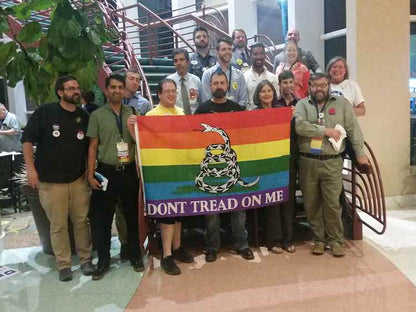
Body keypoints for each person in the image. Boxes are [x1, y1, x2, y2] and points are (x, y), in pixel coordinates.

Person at [21, 76, 94, 282]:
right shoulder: (45, 112)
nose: (76, 91)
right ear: (60, 93)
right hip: (51, 183)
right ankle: (64, 265)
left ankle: (86, 260)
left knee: (81, 221)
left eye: (77, 88)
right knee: (58, 224)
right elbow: (27, 140)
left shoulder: (83, 115)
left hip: (78, 180)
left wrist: (89, 172)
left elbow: (90, 146)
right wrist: (31, 169)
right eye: (71, 89)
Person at [295, 73, 370, 257]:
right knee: (312, 205)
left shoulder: (342, 104)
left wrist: (360, 155)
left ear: (329, 86)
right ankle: (319, 240)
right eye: (315, 85)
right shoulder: (302, 105)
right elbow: (300, 127)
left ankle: (336, 241)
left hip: (332, 162)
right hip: (308, 162)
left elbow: (353, 130)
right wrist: (325, 131)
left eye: (323, 85)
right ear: (309, 86)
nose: (319, 88)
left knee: (332, 204)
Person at [87, 74, 144, 280]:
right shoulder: (97, 115)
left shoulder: (133, 113)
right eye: (113, 87)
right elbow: (92, 146)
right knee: (102, 220)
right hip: (105, 173)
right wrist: (90, 173)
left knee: (132, 217)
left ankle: (135, 256)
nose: (117, 91)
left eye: (120, 87)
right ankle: (103, 262)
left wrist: (134, 127)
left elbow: (139, 142)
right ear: (107, 89)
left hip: (128, 173)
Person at [194, 70, 254, 262]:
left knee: (239, 209)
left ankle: (242, 245)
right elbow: (193, 138)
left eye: (222, 83)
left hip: (232, 167)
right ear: (210, 86)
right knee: (211, 212)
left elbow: (246, 136)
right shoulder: (202, 110)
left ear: (227, 85)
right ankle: (212, 247)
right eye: (215, 83)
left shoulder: (237, 108)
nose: (219, 86)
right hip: (211, 169)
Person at [146, 78, 194, 275]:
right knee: (168, 213)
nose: (172, 94)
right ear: (159, 94)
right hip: (163, 172)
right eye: (167, 91)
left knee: (180, 212)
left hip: (180, 169)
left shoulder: (181, 112)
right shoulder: (151, 116)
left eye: (174, 91)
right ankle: (166, 255)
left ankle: (177, 247)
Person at [252, 77, 296, 254]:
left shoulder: (282, 111)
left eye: (269, 90)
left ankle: (288, 239)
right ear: (258, 95)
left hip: (285, 161)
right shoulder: (254, 114)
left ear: (273, 93)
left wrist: (291, 117)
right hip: (266, 164)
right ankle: (274, 241)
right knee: (272, 201)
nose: (266, 94)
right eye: (263, 91)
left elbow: (292, 135)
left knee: (287, 200)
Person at [201, 37, 248, 108]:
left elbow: (243, 101)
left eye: (229, 49)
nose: (227, 52)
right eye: (224, 49)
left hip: (235, 115)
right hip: (215, 115)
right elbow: (206, 100)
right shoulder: (208, 74)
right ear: (217, 52)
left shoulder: (239, 74)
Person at [244, 42, 279, 110]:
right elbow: (244, 101)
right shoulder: (244, 77)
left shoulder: (273, 78)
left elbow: (276, 98)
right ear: (250, 56)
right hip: (251, 116)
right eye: (255, 54)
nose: (259, 57)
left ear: (265, 56)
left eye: (261, 53)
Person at [166, 48, 201, 114]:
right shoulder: (168, 82)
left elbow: (201, 102)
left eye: (181, 60)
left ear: (188, 62)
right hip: (176, 119)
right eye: (175, 61)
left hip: (195, 118)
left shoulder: (196, 80)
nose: (178, 63)